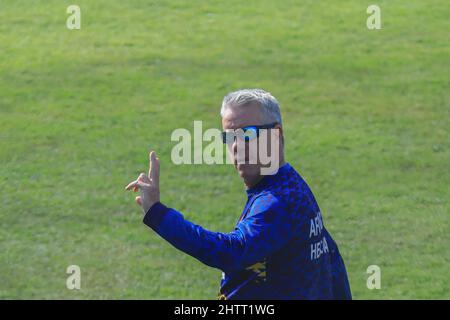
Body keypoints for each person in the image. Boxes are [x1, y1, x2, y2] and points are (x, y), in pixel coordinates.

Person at [125, 89, 352, 300]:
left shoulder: (278, 202)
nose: (236, 146)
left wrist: (157, 213)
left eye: (247, 134)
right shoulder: (292, 186)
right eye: (229, 136)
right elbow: (331, 260)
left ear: (276, 134)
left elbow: (232, 252)